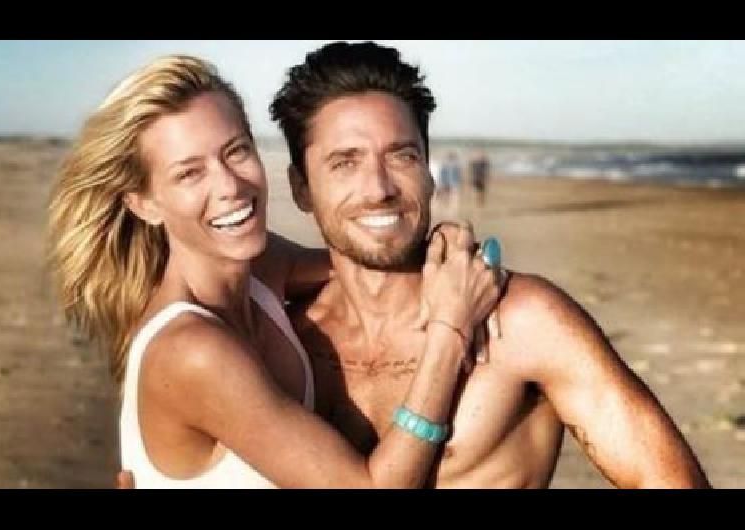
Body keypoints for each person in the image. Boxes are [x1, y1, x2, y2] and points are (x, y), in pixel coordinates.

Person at [47, 55, 505, 488]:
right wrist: (450, 332)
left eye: (235, 152)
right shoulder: (193, 350)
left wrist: (444, 246)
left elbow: (364, 258)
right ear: (144, 203)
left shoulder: (261, 270)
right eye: (190, 173)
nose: (229, 186)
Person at [268, 41, 710, 488]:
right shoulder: (286, 340)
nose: (379, 189)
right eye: (345, 163)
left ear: (428, 173)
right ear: (301, 188)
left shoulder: (521, 319)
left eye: (403, 156)